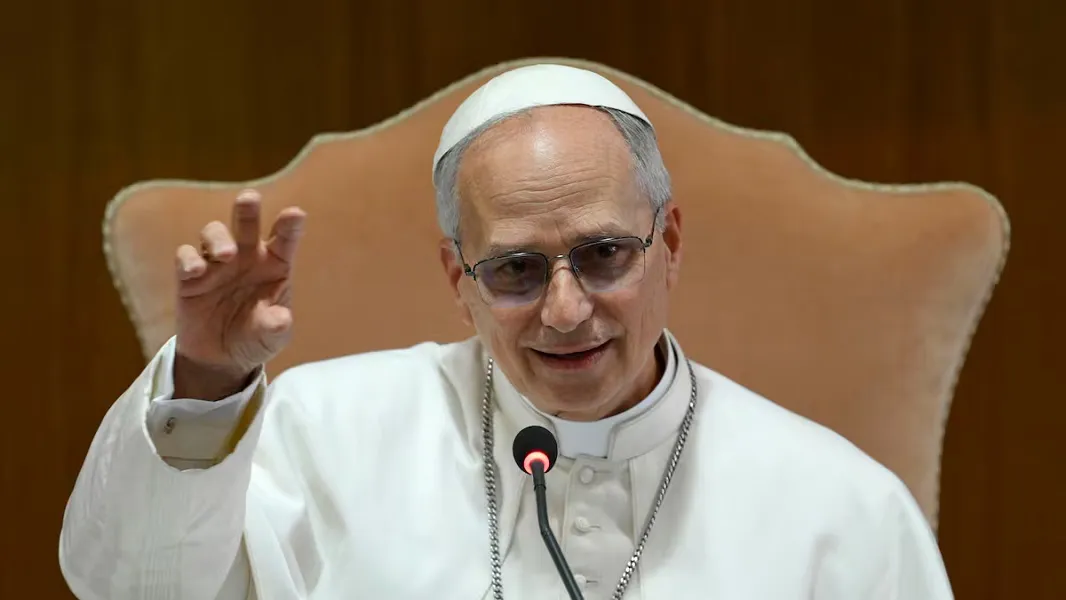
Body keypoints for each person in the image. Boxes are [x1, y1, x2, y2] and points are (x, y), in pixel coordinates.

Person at [59, 64, 955, 599]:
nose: (566, 311)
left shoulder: (843, 509)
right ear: (461, 280)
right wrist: (209, 380)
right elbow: (136, 587)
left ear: (668, 244)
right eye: (517, 270)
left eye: (604, 254)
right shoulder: (324, 435)